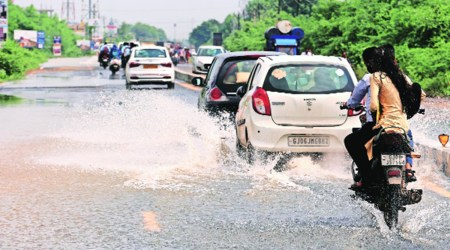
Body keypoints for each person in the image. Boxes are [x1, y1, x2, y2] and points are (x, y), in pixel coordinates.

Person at [344, 47, 384, 187]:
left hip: (377, 123)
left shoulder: (371, 78)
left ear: (370, 62)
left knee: (351, 141)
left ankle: (367, 176)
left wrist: (349, 104)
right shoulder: (399, 77)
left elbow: (369, 105)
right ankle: (408, 169)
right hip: (398, 123)